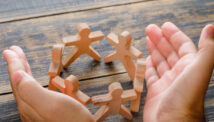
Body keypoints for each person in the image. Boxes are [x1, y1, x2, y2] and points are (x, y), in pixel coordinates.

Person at [2, 22, 214, 122]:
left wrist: (182, 117)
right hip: (89, 58)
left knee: (129, 72)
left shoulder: (122, 84)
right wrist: (182, 118)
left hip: (117, 74)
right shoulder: (69, 82)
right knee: (76, 58)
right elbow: (94, 98)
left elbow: (102, 98)